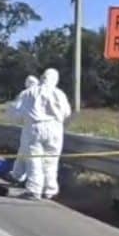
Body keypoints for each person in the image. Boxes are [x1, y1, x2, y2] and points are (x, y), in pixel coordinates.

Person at [11, 68, 71, 200]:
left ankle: (34, 189)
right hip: (55, 128)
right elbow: (67, 112)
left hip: (35, 127)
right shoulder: (60, 93)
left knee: (34, 159)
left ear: (43, 77)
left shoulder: (29, 92)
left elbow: (17, 113)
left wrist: (24, 120)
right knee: (52, 160)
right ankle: (50, 190)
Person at [6, 75, 39, 184]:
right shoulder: (47, 92)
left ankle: (22, 178)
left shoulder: (26, 93)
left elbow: (17, 111)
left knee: (27, 153)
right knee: (26, 153)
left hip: (31, 127)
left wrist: (10, 109)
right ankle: (17, 174)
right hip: (50, 129)